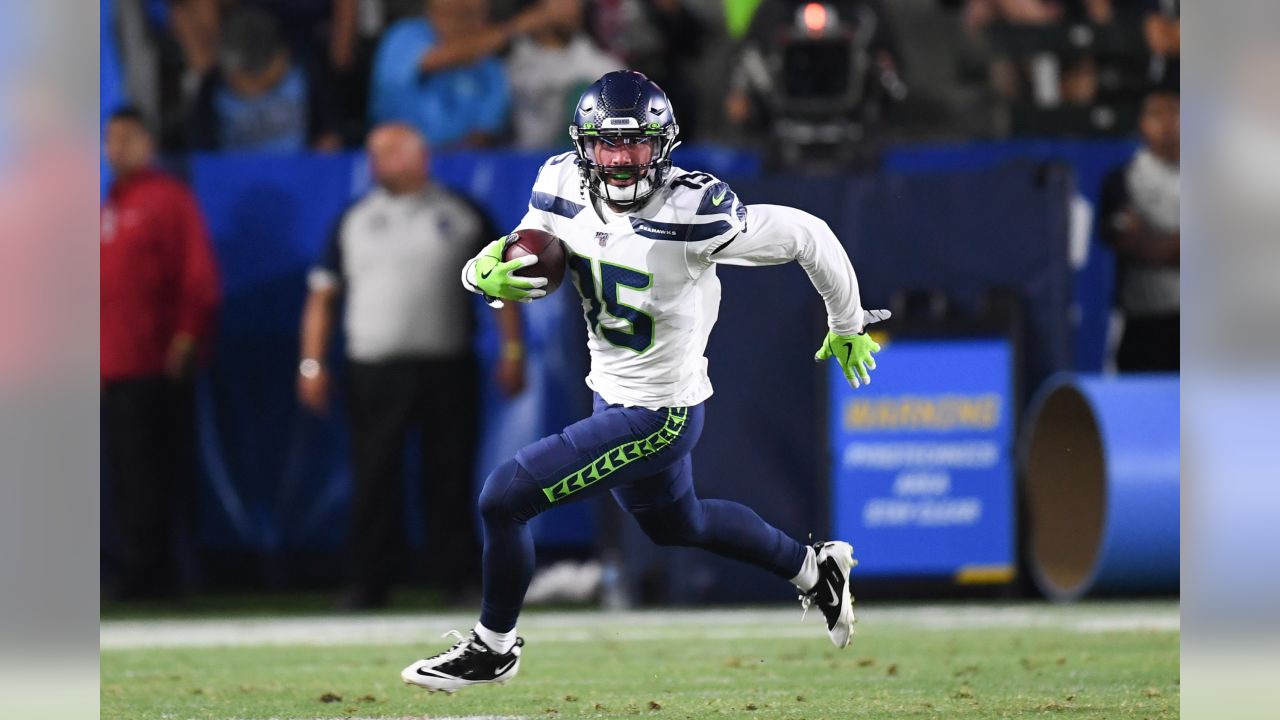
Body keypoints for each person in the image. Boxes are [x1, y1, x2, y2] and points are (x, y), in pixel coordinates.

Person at [400, 71, 888, 692]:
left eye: (637, 144)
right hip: (611, 389)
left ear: (663, 145)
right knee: (678, 524)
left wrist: (847, 322)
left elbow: (806, 234)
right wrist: (478, 274)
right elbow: (523, 249)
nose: (623, 159)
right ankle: (815, 572)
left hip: (661, 414)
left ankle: (493, 648)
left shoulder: (695, 209)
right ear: (585, 145)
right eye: (609, 144)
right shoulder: (559, 181)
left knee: (504, 497)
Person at [298, 122, 528, 610]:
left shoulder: (461, 214)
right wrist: (312, 363)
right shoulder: (354, 218)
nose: (376, 161)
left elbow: (504, 286)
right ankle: (369, 581)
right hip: (373, 369)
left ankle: (458, 578)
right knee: (373, 475)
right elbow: (322, 296)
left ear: (419, 155)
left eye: (388, 151)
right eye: (373, 152)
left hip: (445, 365)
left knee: (449, 473)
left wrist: (512, 350)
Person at [101, 107, 221, 600]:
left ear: (149, 143)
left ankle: (157, 574)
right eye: (110, 139)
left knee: (153, 473)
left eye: (127, 137)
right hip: (108, 366)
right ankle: (133, 567)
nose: (116, 147)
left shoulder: (168, 199)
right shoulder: (107, 204)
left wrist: (186, 336)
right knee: (124, 476)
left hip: (152, 362)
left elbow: (199, 278)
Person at [368, 0, 575, 149]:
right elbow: (435, 60)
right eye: (463, 14)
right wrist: (517, 26)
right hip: (398, 156)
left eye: (480, 13)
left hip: (463, 163)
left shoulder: (490, 66)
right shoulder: (405, 34)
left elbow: (484, 131)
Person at [1099, 88, 1179, 371]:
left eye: (1175, 112)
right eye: (1156, 114)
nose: (1168, 123)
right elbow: (1124, 240)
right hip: (1143, 326)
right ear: (1141, 123)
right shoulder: (1123, 180)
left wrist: (1148, 238)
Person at [188, 5, 342, 152]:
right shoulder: (213, 87)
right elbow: (201, 148)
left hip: (298, 171)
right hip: (235, 174)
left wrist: (327, 145)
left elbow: (329, 131)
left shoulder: (305, 71)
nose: (255, 87)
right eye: (247, 77)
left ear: (281, 56)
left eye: (259, 75)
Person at [505, 0, 622, 150]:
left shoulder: (601, 67)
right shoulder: (513, 61)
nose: (574, 8)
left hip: (577, 162)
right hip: (522, 160)